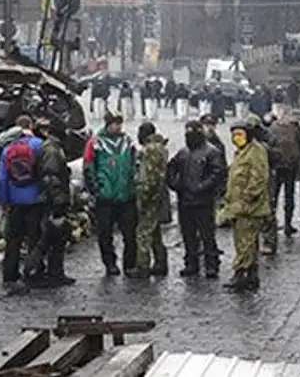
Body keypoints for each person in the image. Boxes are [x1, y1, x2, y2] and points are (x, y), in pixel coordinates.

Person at [168, 120, 227, 278]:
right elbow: (171, 168)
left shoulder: (211, 152)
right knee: (188, 235)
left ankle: (211, 264)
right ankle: (191, 263)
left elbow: (218, 173)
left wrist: (202, 187)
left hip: (203, 201)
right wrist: (175, 185)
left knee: (207, 235)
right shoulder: (183, 153)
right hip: (185, 200)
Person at [83, 111, 138, 275]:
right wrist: (96, 190)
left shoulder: (128, 141)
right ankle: (110, 263)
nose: (118, 126)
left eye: (119, 123)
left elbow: (135, 163)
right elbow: (88, 167)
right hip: (105, 196)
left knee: (130, 234)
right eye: (114, 123)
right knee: (105, 234)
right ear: (108, 124)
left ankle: (130, 264)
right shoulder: (95, 143)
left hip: (126, 195)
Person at [0, 115, 45, 294]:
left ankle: (10, 274)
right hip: (35, 198)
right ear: (31, 126)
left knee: (13, 238)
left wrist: (3, 201)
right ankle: (33, 271)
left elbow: (2, 178)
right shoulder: (39, 145)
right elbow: (45, 171)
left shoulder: (7, 149)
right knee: (35, 236)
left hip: (15, 200)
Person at [219, 121, 270, 291]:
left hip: (249, 207)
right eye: (234, 135)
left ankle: (241, 273)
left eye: (240, 135)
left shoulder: (255, 152)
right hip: (239, 205)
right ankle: (251, 275)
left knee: (244, 242)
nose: (236, 138)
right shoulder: (241, 152)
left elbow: (259, 178)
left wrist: (247, 198)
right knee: (247, 241)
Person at [31, 118, 76, 287]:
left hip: (53, 198)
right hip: (53, 201)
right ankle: (52, 273)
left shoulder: (52, 148)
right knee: (54, 237)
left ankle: (53, 272)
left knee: (55, 237)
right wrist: (58, 199)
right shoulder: (51, 150)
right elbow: (50, 176)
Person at [129, 122, 170, 278]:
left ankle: (143, 266)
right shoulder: (160, 147)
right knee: (155, 230)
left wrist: (143, 197)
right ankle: (160, 262)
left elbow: (150, 178)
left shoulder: (150, 150)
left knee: (143, 232)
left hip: (151, 196)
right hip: (159, 194)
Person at [268, 110, 300, 236]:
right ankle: (287, 225)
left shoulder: (273, 127)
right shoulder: (295, 128)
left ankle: (270, 224)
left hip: (275, 166)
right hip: (290, 166)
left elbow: (268, 145)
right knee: (289, 196)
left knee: (273, 196)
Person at [247, 114, 281, 255]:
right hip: (254, 178)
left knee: (267, 211)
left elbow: (276, 158)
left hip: (267, 178)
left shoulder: (268, 142)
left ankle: (269, 242)